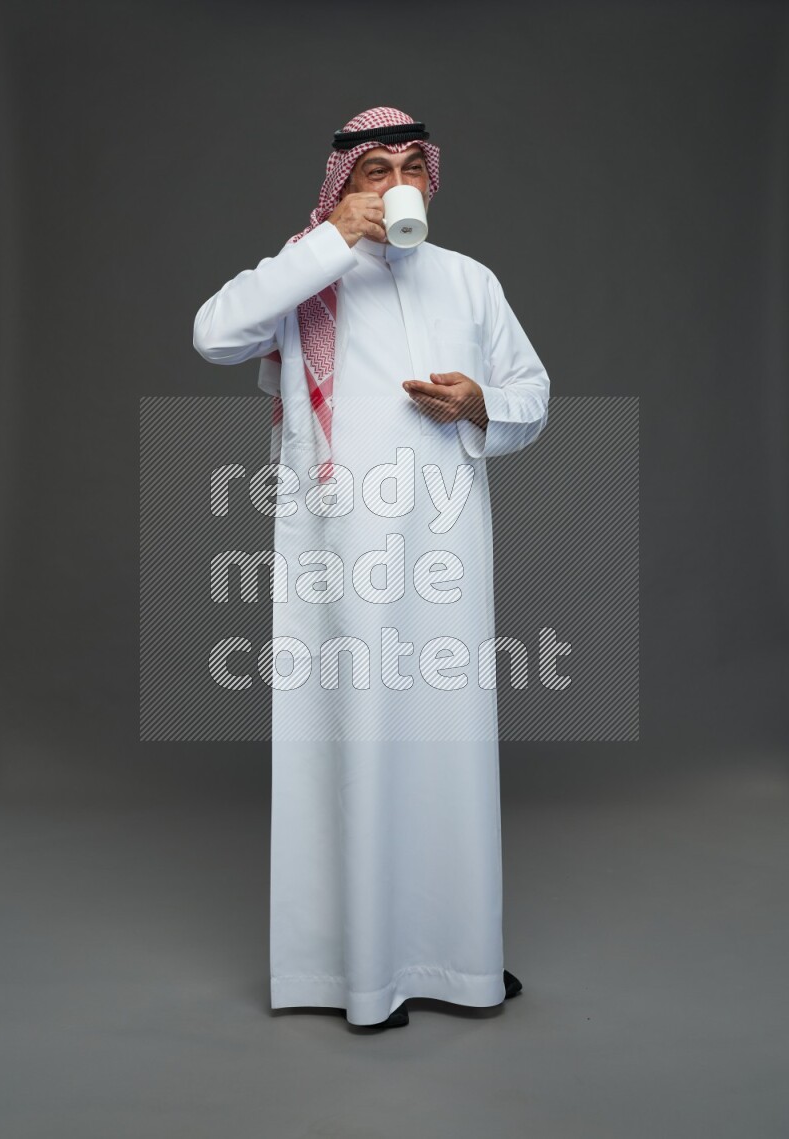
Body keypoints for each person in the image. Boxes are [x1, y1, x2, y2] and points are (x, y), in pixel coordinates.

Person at [193, 106, 549, 1031]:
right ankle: (351, 974)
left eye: (408, 167)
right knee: (349, 738)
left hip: (445, 551)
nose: (393, 184)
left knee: (449, 744)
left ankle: (461, 959)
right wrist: (323, 243)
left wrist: (484, 402)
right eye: (371, 170)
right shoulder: (306, 276)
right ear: (342, 183)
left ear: (430, 180)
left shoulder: (469, 281)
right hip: (336, 556)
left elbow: (533, 393)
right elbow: (215, 334)